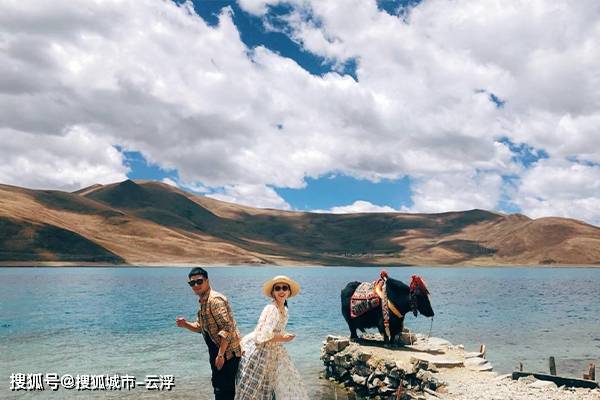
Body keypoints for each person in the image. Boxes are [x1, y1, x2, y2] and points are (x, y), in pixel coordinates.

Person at [235, 275, 309, 400]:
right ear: (273, 292)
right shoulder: (272, 309)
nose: (281, 291)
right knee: (256, 388)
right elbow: (261, 336)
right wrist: (283, 338)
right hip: (260, 352)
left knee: (277, 384)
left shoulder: (284, 309)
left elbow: (274, 330)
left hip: (273, 350)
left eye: (284, 288)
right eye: (278, 288)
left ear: (289, 292)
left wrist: (283, 336)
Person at [176, 267, 242, 400]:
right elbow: (201, 328)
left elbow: (227, 328)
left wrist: (221, 355)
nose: (196, 285)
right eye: (192, 283)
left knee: (224, 392)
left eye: (199, 281)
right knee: (219, 387)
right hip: (218, 353)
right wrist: (186, 324)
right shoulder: (203, 302)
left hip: (227, 354)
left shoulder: (215, 301)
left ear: (207, 281)